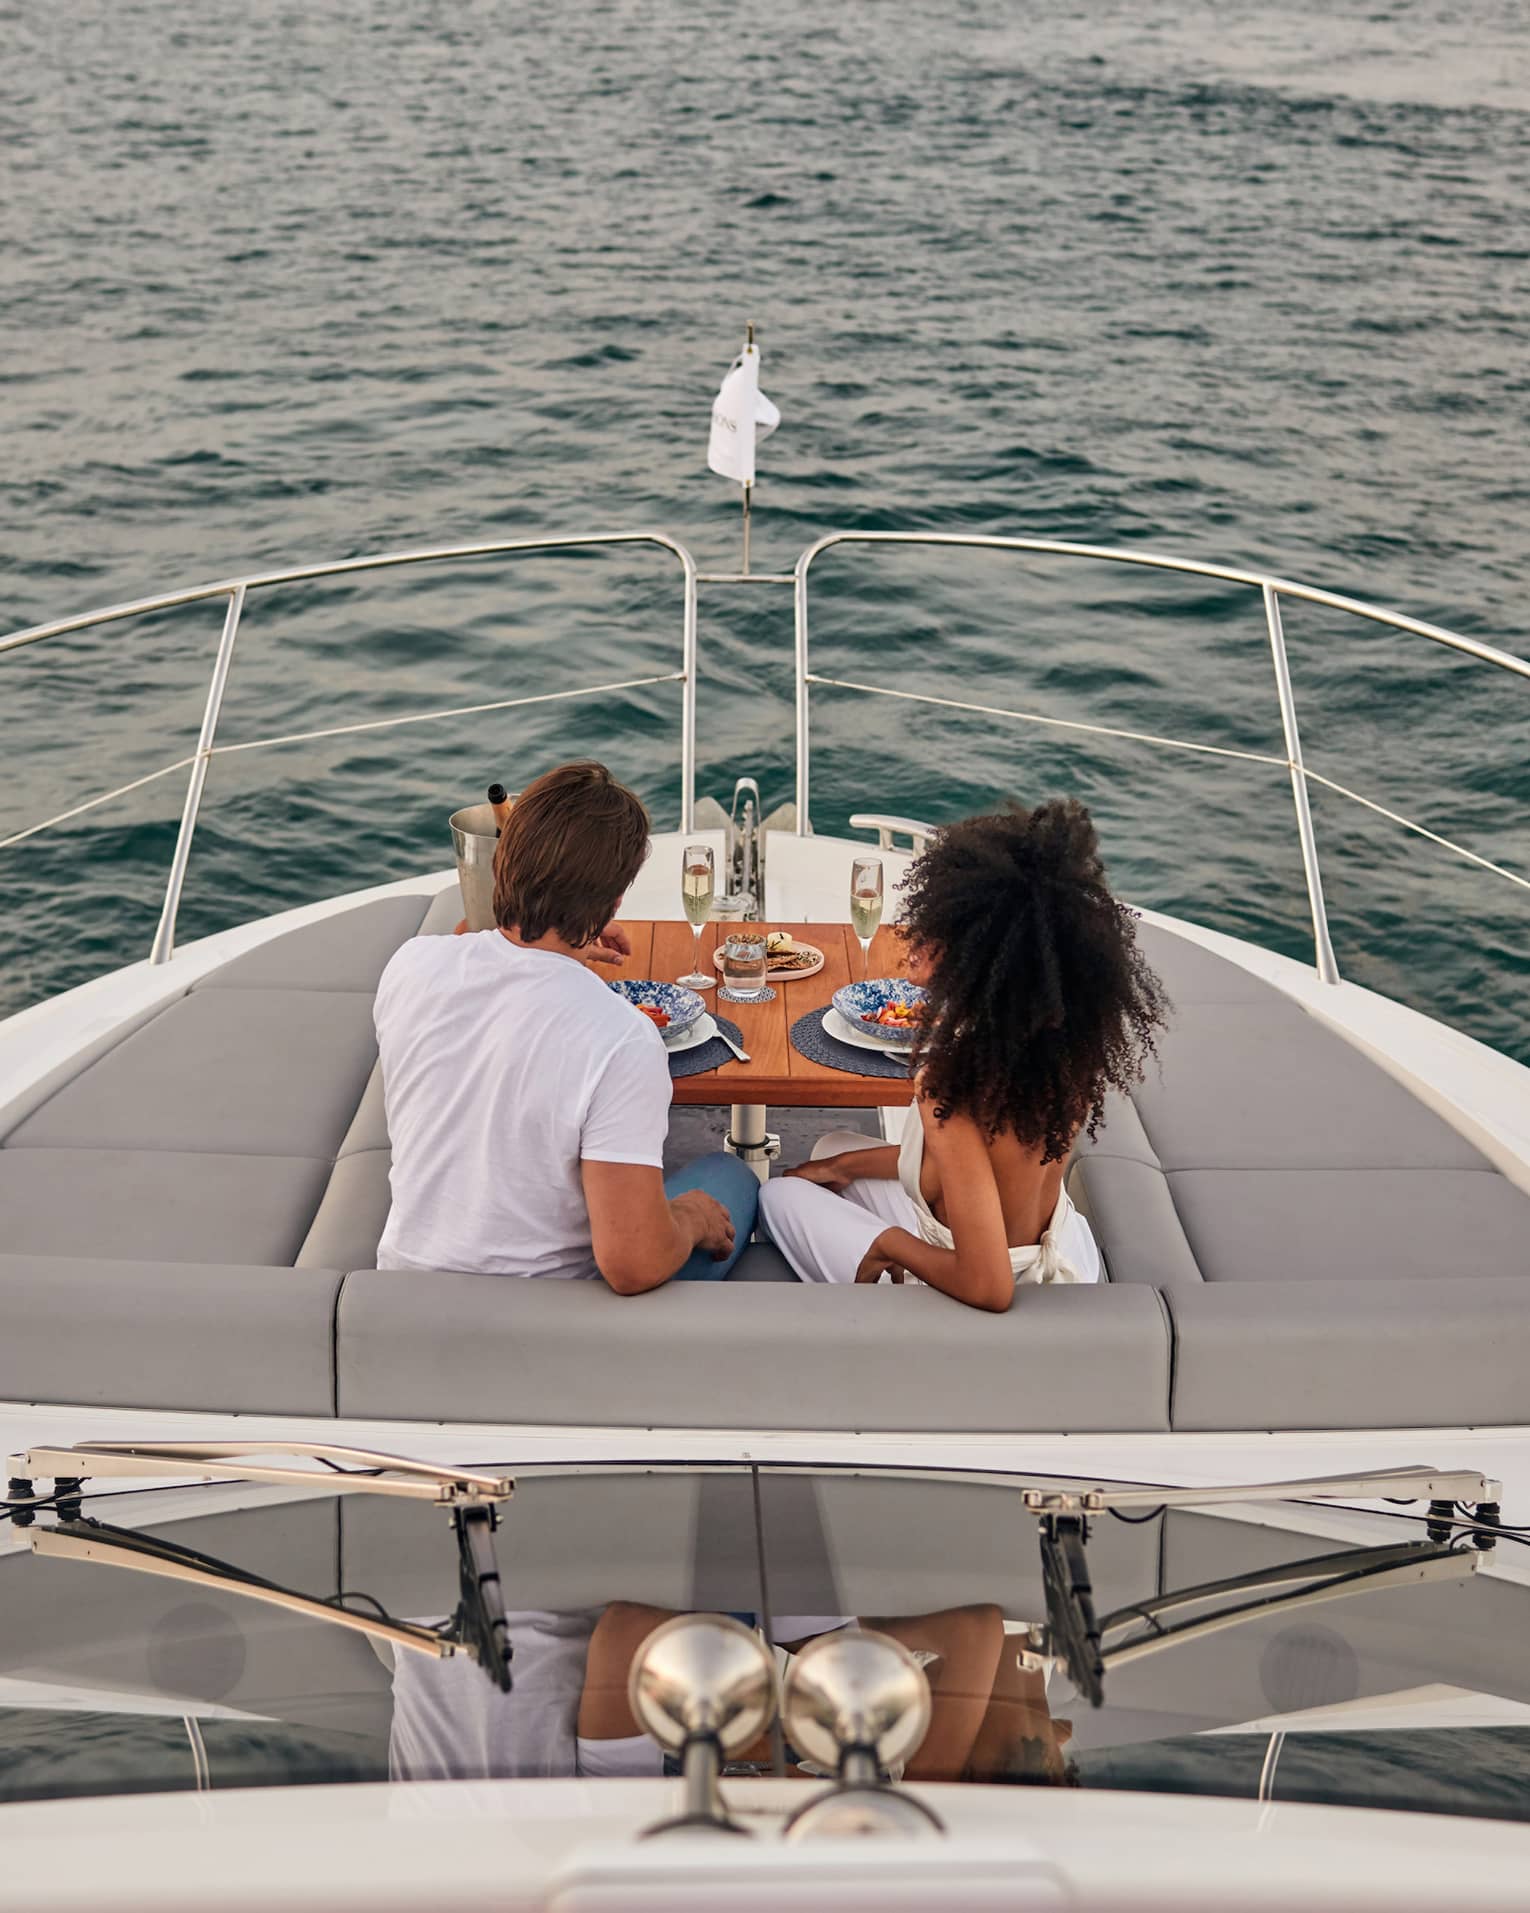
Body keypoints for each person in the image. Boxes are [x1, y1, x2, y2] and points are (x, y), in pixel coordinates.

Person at [759, 799, 1169, 1310]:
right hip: (1057, 1251)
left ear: (975, 956)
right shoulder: (1062, 1050)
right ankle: (845, 1175)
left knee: (776, 1197)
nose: (913, 938)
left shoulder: (951, 1087)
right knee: (827, 1152)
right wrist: (842, 1166)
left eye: (934, 931)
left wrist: (893, 1245)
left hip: (981, 1288)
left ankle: (879, 1287)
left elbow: (989, 1288)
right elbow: (954, 1173)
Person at [373, 760, 757, 1287]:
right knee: (731, 1177)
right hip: (544, 1327)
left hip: (402, 1291)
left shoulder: (409, 968)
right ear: (616, 899)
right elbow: (630, 1265)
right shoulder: (622, 1038)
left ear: (503, 863)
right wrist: (691, 1220)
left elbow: (478, 951)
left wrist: (568, 941)